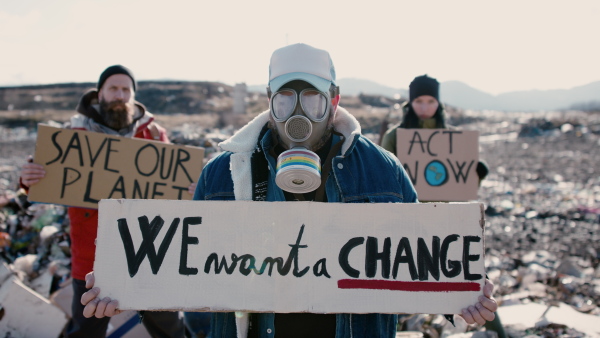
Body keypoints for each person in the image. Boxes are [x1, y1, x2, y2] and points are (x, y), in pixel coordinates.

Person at [81, 45, 498, 338]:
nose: (298, 115)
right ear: (268, 101)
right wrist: (124, 286)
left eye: (313, 99)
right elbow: (184, 268)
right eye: (285, 99)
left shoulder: (383, 172)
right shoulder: (223, 174)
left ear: (334, 101)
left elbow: (418, 260)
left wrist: (460, 298)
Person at [19, 65, 186, 337]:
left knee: (169, 329)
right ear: (100, 94)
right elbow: (46, 182)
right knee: (87, 330)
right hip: (91, 260)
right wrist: (29, 178)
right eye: (113, 89)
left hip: (150, 254)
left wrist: (188, 188)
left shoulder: (155, 135)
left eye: (125, 90)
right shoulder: (72, 135)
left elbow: (171, 188)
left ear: (133, 96)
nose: (119, 95)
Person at [381, 74, 489, 182]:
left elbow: (462, 187)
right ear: (411, 103)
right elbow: (383, 180)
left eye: (431, 101)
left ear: (438, 103)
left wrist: (477, 174)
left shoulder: (455, 137)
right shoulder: (393, 137)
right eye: (419, 101)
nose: (425, 108)